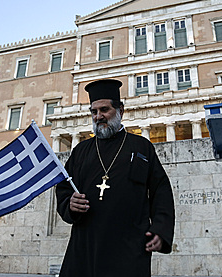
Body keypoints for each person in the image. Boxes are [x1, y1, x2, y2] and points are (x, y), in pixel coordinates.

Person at [56, 79, 175, 277]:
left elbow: (160, 191)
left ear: (121, 110)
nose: (98, 116)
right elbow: (63, 188)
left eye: (104, 110)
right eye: (93, 112)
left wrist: (160, 229)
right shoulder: (81, 151)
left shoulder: (141, 147)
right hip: (86, 246)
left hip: (129, 247)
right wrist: (70, 203)